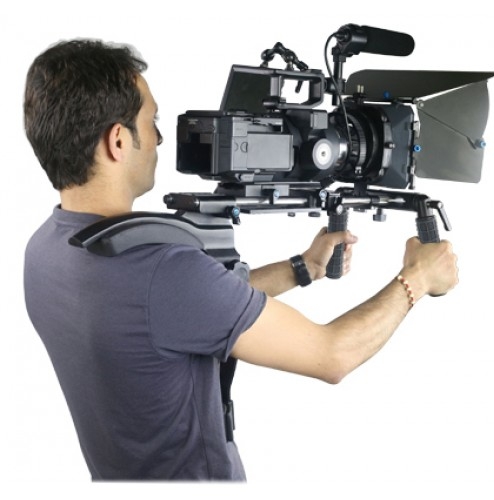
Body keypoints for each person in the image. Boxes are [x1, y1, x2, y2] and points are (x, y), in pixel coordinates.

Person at [23, 39, 458, 481]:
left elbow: (189, 309)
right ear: (118, 141)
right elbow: (332, 355)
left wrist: (302, 268)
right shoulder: (163, 272)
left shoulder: (45, 252)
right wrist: (417, 278)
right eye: (151, 122)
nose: (158, 138)